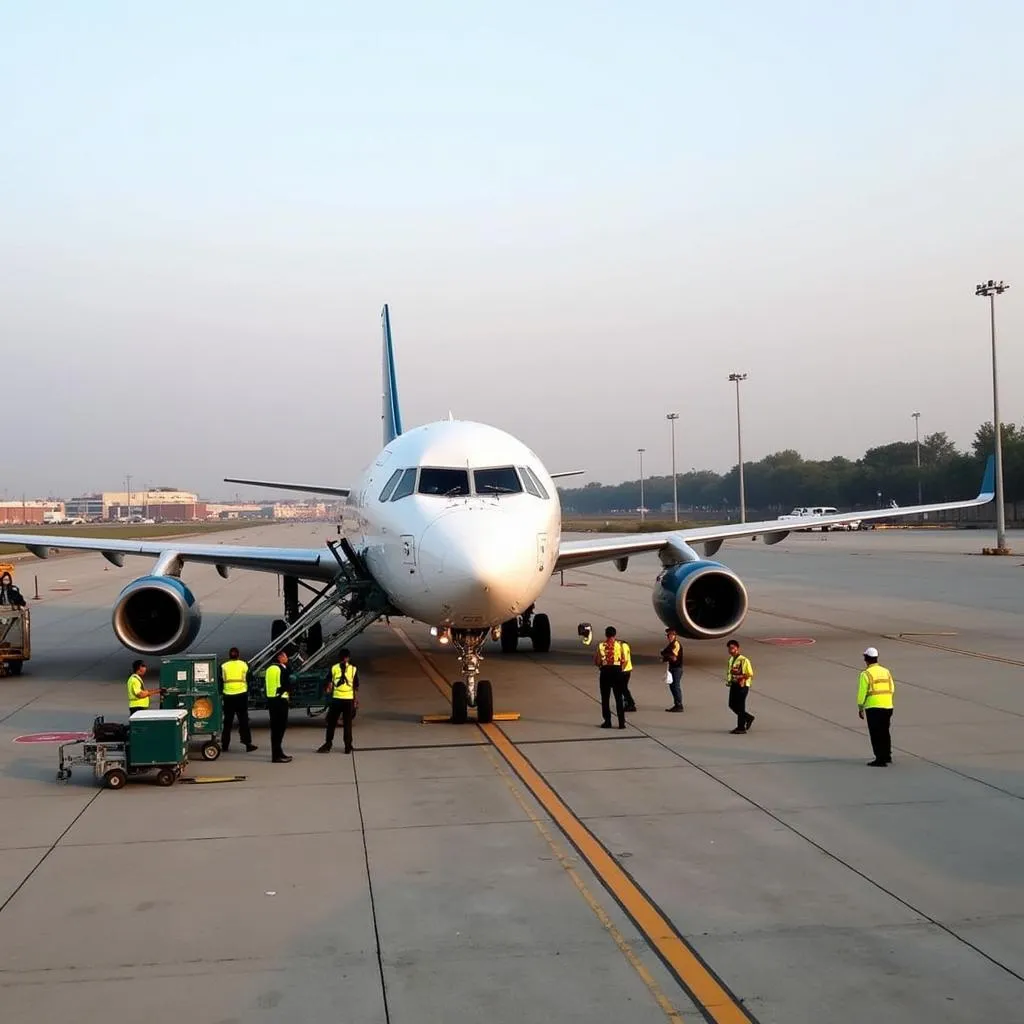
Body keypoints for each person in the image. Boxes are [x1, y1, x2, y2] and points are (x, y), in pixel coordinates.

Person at [858, 646, 895, 766]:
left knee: (876, 733)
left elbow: (862, 692)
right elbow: (892, 688)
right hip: (888, 706)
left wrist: (860, 707)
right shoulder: (886, 671)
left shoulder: (866, 674)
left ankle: (880, 759)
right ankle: (887, 755)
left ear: (866, 659)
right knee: (885, 732)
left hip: (873, 707)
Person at [318, 648, 359, 754]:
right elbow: (355, 686)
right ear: (348, 658)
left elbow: (328, 683)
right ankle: (348, 746)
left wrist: (328, 689)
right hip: (348, 700)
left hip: (336, 699)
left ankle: (328, 744)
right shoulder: (353, 669)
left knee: (331, 723)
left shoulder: (334, 668)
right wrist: (355, 700)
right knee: (347, 724)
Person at [220, 647, 257, 753]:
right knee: (244, 721)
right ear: (238, 655)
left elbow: (220, 680)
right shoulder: (244, 664)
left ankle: (225, 745)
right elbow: (249, 678)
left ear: (229, 655)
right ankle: (247, 743)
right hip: (241, 695)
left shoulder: (224, 666)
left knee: (227, 722)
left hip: (228, 695)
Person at [593, 626, 627, 729]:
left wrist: (600, 666)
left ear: (606, 635)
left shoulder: (601, 646)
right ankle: (621, 723)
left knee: (605, 698)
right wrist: (620, 670)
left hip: (605, 672)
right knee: (619, 698)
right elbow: (624, 660)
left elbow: (597, 661)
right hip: (617, 671)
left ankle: (607, 721)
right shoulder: (620, 645)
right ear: (615, 635)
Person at [265, 651, 292, 763]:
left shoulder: (270, 669)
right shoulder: (281, 669)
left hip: (272, 700)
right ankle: (277, 755)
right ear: (280, 658)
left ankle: (278, 753)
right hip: (280, 700)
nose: (287, 658)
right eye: (285, 656)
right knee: (280, 729)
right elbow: (286, 683)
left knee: (275, 729)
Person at [725, 640, 755, 733]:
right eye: (729, 648)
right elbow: (730, 672)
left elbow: (749, 674)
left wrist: (740, 678)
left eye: (733, 648)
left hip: (742, 685)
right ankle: (748, 717)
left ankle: (741, 727)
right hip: (734, 685)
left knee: (740, 706)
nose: (731, 650)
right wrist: (730, 681)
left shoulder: (744, 660)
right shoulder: (731, 660)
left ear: (737, 648)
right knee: (731, 704)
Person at [660, 628, 684, 712]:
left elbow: (674, 657)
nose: (669, 637)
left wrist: (665, 657)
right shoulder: (670, 644)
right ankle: (676, 704)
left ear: (675, 636)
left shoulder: (676, 644)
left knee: (675, 686)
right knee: (672, 686)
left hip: (677, 669)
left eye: (671, 635)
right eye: (668, 635)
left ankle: (679, 705)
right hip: (672, 668)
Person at [620, 637, 637, 712]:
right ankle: (628, 703)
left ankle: (630, 703)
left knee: (623, 688)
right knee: (623, 688)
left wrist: (621, 670)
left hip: (625, 671)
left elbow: (625, 660)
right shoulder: (625, 645)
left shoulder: (622, 646)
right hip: (627, 670)